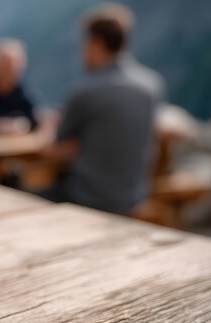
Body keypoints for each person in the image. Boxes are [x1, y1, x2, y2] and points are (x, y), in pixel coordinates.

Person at [40, 3, 165, 214]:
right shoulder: (152, 86)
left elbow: (52, 151)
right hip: (134, 197)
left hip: (88, 199)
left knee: (24, 190)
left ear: (96, 43)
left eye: (85, 44)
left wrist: (47, 124)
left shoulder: (85, 90)